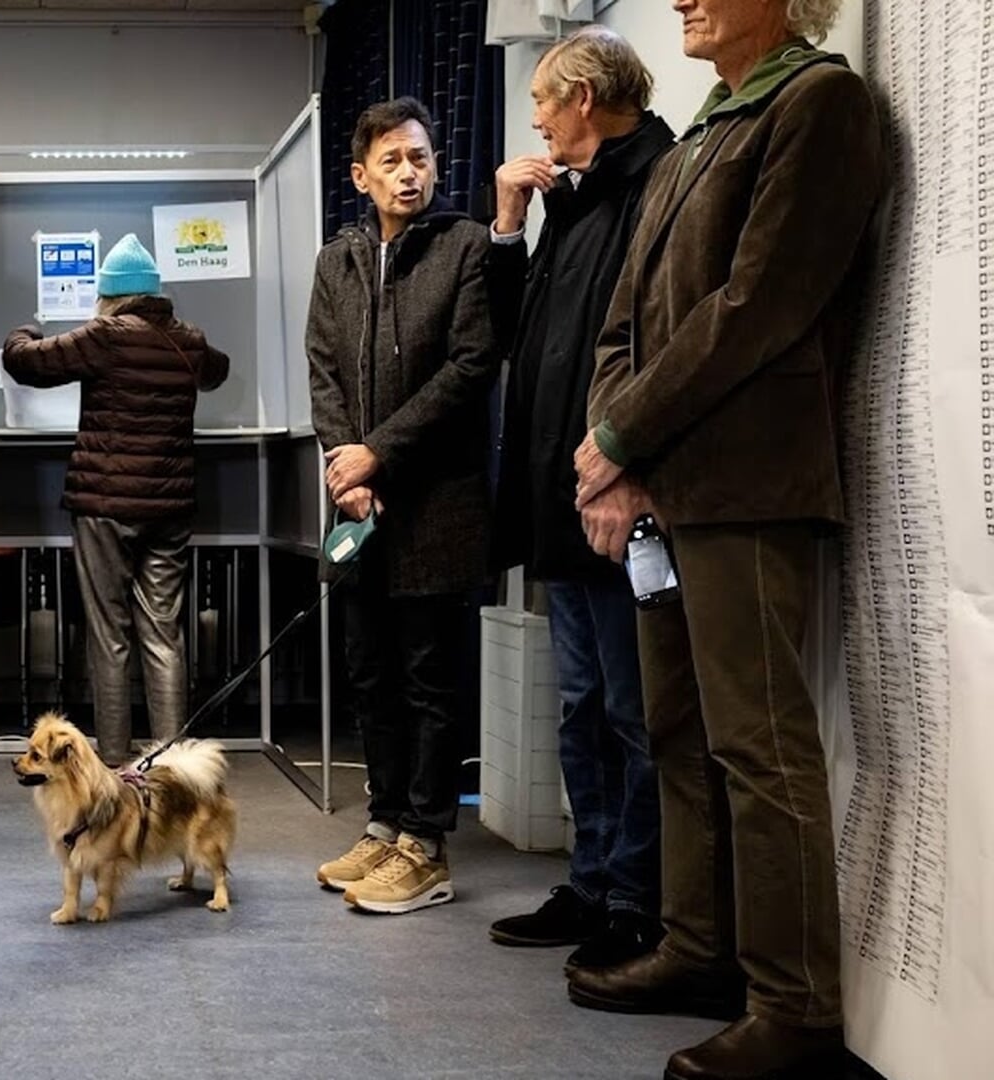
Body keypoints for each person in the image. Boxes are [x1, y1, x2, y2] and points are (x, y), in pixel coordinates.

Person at [567, 2, 884, 1076]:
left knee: (759, 744)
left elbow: (758, 306)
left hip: (749, 482)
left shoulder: (821, 102)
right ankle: (698, 950)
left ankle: (795, 1007)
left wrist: (623, 434)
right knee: (675, 730)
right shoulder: (706, 127)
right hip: (668, 483)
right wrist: (618, 450)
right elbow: (625, 322)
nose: (681, 1)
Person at [484, 26, 675, 971]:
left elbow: (657, 346)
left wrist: (620, 469)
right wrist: (508, 226)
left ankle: (639, 901)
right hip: (560, 497)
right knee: (580, 704)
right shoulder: (572, 199)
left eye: (542, 103)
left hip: (621, 498)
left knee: (635, 713)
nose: (537, 123)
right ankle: (593, 883)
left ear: (585, 98)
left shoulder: (658, 183)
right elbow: (515, 336)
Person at [305, 98, 497, 915]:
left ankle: (426, 844)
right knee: (370, 672)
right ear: (361, 176)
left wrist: (377, 451)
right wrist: (347, 467)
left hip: (437, 504)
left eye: (419, 158)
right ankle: (384, 825)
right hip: (360, 505)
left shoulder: (465, 246)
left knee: (428, 678)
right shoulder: (337, 261)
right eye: (391, 161)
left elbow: (470, 366)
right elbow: (323, 369)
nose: (408, 173)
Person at [0, 234, 230, 764]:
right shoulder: (188, 340)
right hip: (170, 510)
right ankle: (173, 764)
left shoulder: (105, 335)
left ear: (109, 294)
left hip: (105, 506)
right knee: (164, 634)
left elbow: (25, 363)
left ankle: (114, 761)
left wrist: (24, 330)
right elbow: (217, 370)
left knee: (110, 634)